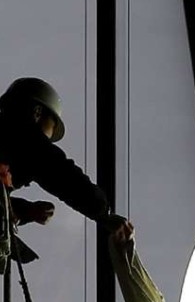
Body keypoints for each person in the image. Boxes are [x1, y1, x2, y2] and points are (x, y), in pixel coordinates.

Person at [0, 77, 133, 242]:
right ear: (37, 113)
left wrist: (26, 210)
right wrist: (103, 214)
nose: (46, 140)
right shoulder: (25, 138)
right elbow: (60, 174)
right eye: (50, 128)